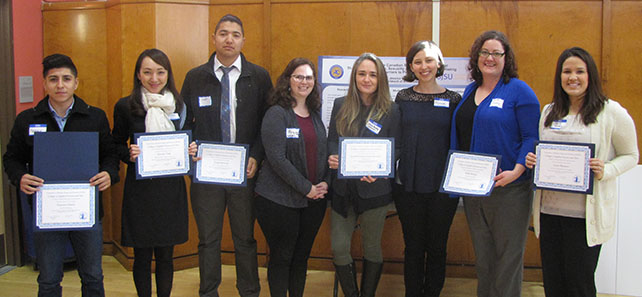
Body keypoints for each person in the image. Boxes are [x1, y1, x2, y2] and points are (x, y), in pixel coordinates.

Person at [525, 47, 638, 297]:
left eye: (579, 71)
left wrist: (606, 169)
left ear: (591, 75)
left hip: (585, 218)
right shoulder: (549, 111)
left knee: (580, 284)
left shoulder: (611, 112)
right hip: (550, 213)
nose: (572, 77)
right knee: (553, 283)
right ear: (559, 76)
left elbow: (631, 156)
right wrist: (536, 160)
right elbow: (545, 151)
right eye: (566, 71)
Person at [3, 54, 119, 297]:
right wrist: (20, 177)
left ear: (76, 83)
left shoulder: (94, 117)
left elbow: (110, 155)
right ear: (44, 83)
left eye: (66, 79)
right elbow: (11, 158)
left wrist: (109, 173)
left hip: (85, 210)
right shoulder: (28, 119)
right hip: (48, 212)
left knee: (92, 276)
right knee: (48, 279)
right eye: (53, 79)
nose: (60, 85)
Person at [181, 14, 272, 297]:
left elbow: (267, 124)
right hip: (206, 175)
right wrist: (190, 146)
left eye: (235, 34)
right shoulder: (195, 77)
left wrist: (256, 155)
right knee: (208, 240)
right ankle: (208, 292)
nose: (229, 39)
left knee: (245, 238)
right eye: (223, 33)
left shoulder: (258, 76)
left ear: (243, 40)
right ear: (214, 38)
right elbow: (184, 124)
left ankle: (249, 291)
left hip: (244, 173)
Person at [449, 30, 540, 297]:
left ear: (506, 58)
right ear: (477, 56)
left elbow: (531, 136)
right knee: (484, 257)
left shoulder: (519, 91)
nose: (489, 58)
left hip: (509, 190)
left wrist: (517, 171)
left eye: (496, 53)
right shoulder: (470, 90)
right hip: (474, 190)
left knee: (507, 260)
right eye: (484, 52)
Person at [112, 48, 191, 297]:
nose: (154, 78)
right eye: (147, 72)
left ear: (168, 74)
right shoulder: (126, 106)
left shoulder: (179, 105)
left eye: (160, 72)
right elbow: (114, 143)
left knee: (166, 256)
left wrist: (190, 147)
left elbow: (188, 136)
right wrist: (129, 154)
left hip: (170, 190)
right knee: (142, 256)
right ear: (138, 75)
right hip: (140, 192)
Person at [327, 53, 401, 297]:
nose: (367, 79)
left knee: (372, 247)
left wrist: (381, 171)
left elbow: (397, 148)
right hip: (343, 190)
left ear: (380, 79)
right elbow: (331, 142)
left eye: (372, 74)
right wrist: (333, 157)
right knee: (339, 247)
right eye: (362, 74)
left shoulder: (392, 110)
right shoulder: (340, 104)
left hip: (375, 191)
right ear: (354, 77)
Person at [254, 58, 329, 297]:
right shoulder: (276, 114)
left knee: (300, 257)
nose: (303, 82)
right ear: (288, 81)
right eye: (298, 76)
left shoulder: (315, 113)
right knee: (281, 257)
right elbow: (276, 158)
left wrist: (325, 181)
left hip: (313, 201)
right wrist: (305, 187)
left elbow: (323, 152)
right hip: (278, 200)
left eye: (308, 77)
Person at [393, 40, 461, 297]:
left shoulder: (454, 99)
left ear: (439, 63)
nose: (424, 66)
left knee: (437, 247)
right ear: (411, 66)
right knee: (412, 246)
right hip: (408, 184)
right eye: (418, 61)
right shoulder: (403, 97)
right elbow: (396, 139)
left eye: (429, 60)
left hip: (442, 186)